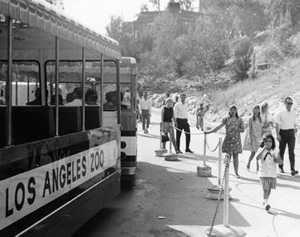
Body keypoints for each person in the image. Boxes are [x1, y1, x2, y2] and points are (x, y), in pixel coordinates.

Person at [205, 105, 244, 178]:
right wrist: (210, 131)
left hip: (236, 140)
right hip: (228, 139)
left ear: (236, 111)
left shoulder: (239, 119)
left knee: (236, 156)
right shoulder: (226, 119)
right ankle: (226, 170)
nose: (232, 111)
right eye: (231, 110)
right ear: (229, 111)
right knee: (228, 156)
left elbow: (243, 129)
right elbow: (219, 127)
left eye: (234, 110)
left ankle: (236, 173)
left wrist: (237, 129)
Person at [255, 133, 282, 211]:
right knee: (265, 189)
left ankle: (265, 200)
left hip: (272, 174)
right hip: (264, 173)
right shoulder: (261, 150)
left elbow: (280, 161)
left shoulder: (275, 151)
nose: (268, 143)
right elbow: (257, 158)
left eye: (270, 141)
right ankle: (267, 204)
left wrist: (277, 159)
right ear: (263, 142)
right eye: (266, 141)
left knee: (269, 189)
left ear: (272, 142)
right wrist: (263, 149)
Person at [275, 96, 298, 176]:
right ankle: (280, 167)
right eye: (288, 103)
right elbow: (277, 124)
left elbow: (294, 123)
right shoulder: (280, 113)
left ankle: (292, 169)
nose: (290, 105)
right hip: (283, 132)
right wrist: (277, 134)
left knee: (291, 151)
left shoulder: (294, 113)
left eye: (291, 103)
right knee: (281, 151)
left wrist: (295, 128)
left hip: (291, 133)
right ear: (285, 103)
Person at [243, 105, 263, 172]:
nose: (257, 110)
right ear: (253, 109)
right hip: (253, 136)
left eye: (258, 109)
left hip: (259, 137)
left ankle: (258, 168)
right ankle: (248, 163)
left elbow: (261, 128)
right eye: (255, 109)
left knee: (259, 152)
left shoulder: (260, 118)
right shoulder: (251, 118)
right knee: (253, 153)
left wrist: (262, 136)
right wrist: (250, 138)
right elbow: (250, 128)